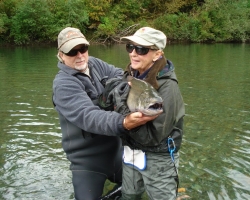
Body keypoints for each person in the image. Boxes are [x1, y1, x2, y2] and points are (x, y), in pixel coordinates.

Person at [52, 27, 158, 200]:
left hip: (115, 151)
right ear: (61, 55)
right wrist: (124, 122)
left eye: (83, 49)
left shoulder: (94, 63)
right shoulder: (63, 84)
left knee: (145, 182)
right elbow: (89, 117)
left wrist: (135, 87)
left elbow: (122, 76)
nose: (79, 55)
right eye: (71, 51)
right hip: (86, 161)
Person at [118, 27, 185, 199]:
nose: (133, 53)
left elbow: (153, 137)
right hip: (131, 152)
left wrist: (123, 120)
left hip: (158, 158)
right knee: (129, 195)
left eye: (141, 49)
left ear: (157, 54)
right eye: (130, 47)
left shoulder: (168, 87)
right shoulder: (131, 75)